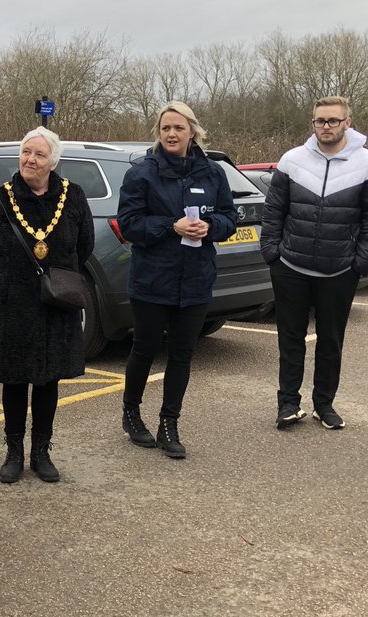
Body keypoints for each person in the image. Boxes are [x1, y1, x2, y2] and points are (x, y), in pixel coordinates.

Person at [260, 96, 368, 432]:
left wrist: (362, 262)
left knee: (331, 340)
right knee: (290, 339)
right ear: (312, 122)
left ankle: (324, 405)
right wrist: (272, 252)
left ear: (348, 122)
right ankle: (288, 403)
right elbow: (273, 211)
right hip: (291, 266)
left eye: (333, 121)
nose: (326, 127)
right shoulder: (292, 160)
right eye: (320, 121)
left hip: (340, 270)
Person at [116, 101, 237, 459]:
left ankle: (170, 423)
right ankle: (131, 413)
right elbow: (129, 225)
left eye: (178, 128)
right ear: (159, 132)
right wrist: (170, 226)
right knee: (145, 349)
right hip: (152, 280)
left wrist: (211, 227)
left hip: (196, 279)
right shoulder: (142, 173)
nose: (171, 134)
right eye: (165, 128)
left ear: (192, 132)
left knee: (182, 355)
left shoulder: (213, 173)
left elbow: (230, 218)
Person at [0, 127, 95, 484]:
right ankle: (13, 452)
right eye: (26, 152)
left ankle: (41, 452)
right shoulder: (1, 197)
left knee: (48, 380)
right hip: (11, 304)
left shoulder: (73, 197)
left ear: (52, 162)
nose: (30, 159)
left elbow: (83, 246)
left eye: (39, 155)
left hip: (54, 305)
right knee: (13, 380)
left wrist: (54, 279)